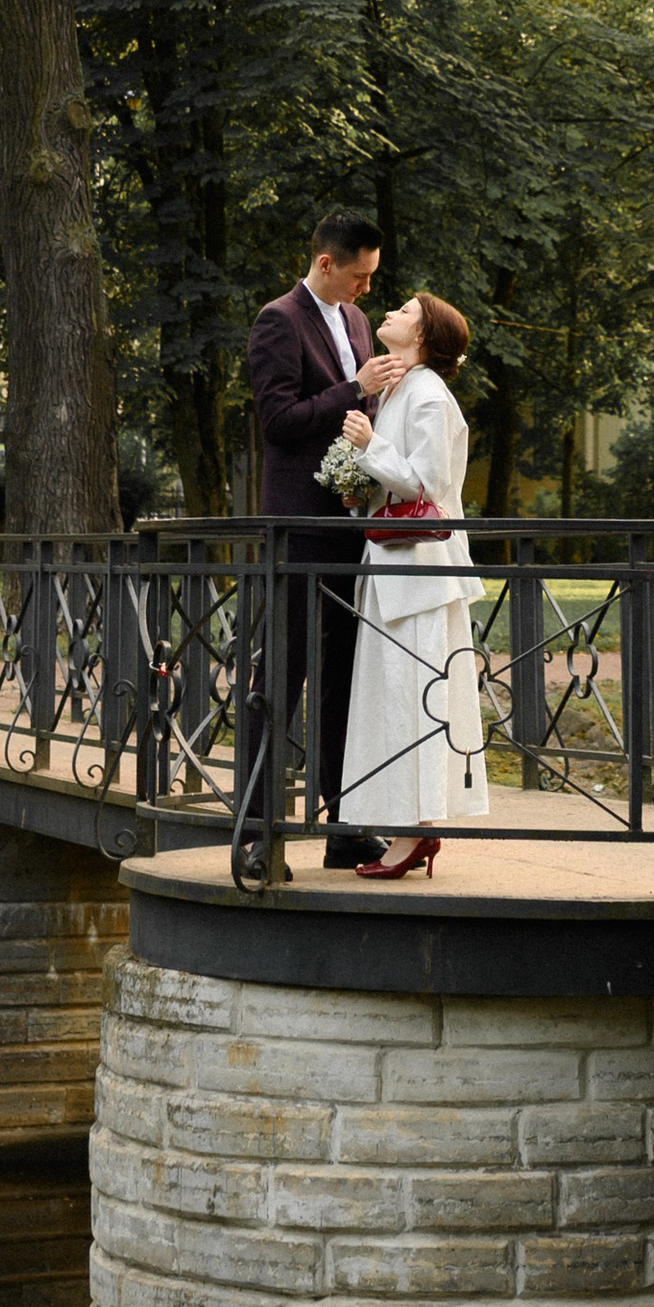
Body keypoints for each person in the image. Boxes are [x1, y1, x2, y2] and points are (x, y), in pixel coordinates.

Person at [246, 211, 400, 870]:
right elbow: (278, 421)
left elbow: (358, 419)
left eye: (373, 277)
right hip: (299, 526)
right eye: (359, 276)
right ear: (327, 263)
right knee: (281, 674)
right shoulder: (278, 320)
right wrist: (354, 389)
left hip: (349, 526)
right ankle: (257, 833)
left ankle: (345, 827)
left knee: (344, 678)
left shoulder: (358, 323)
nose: (367, 290)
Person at [337, 291, 489, 879]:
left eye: (405, 311)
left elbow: (430, 484)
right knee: (395, 700)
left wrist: (369, 446)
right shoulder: (400, 390)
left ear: (422, 338)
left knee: (414, 700)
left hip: (422, 576)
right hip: (395, 567)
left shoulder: (428, 394)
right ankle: (407, 829)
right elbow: (392, 484)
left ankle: (415, 833)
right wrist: (358, 485)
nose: (392, 314)